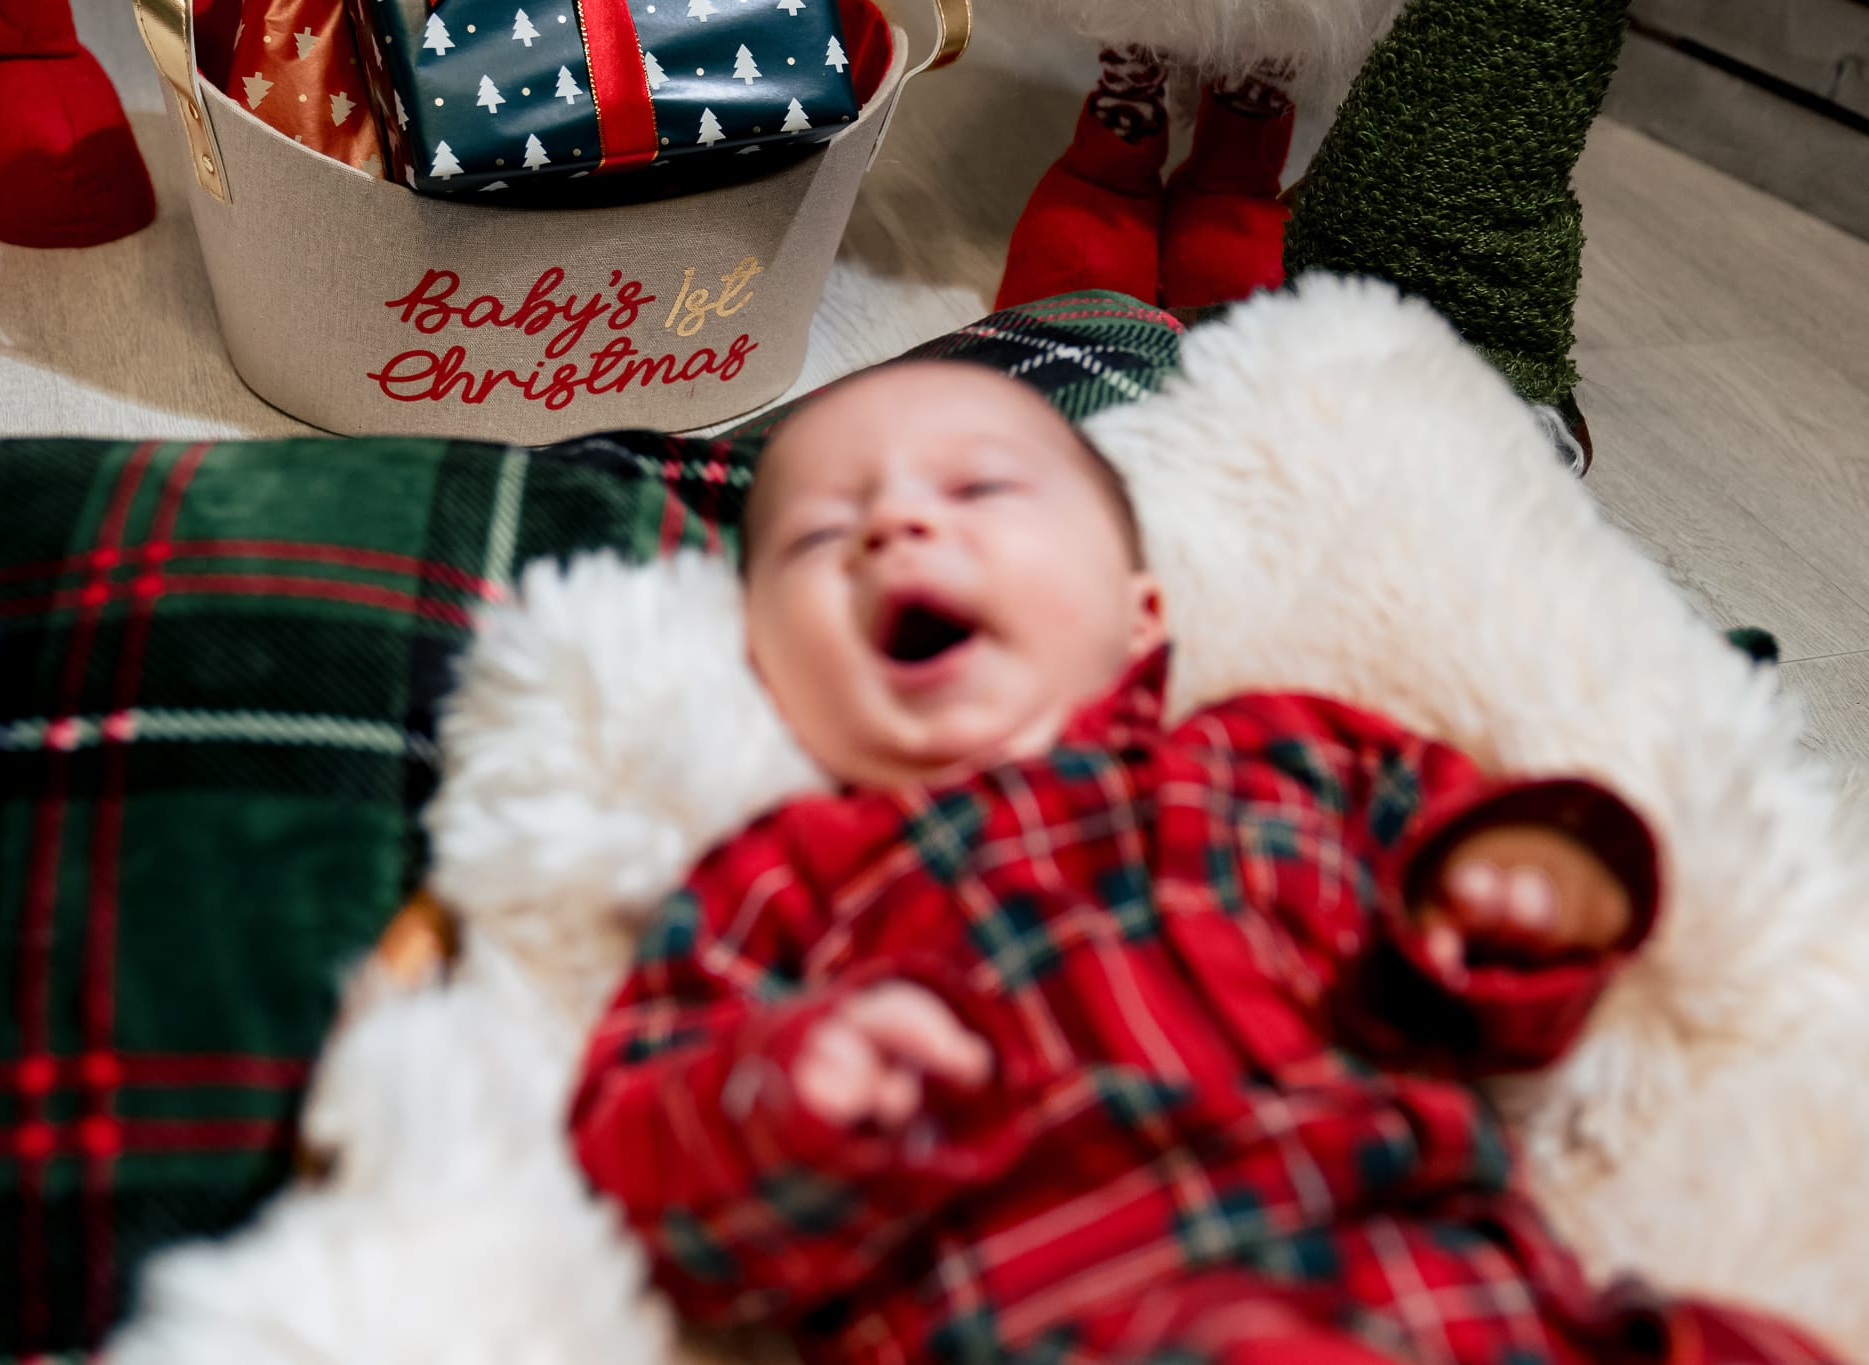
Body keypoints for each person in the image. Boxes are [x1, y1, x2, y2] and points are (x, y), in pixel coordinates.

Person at [568, 362, 1843, 1365]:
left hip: (1449, 1281)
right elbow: (633, 1161)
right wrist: (787, 1095)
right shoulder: (789, 873)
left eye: (979, 491)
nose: (893, 527)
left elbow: (1483, 952)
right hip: (1086, 1312)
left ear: (1139, 614)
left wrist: (1518, 889)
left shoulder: (1290, 759)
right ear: (760, 661)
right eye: (817, 536)